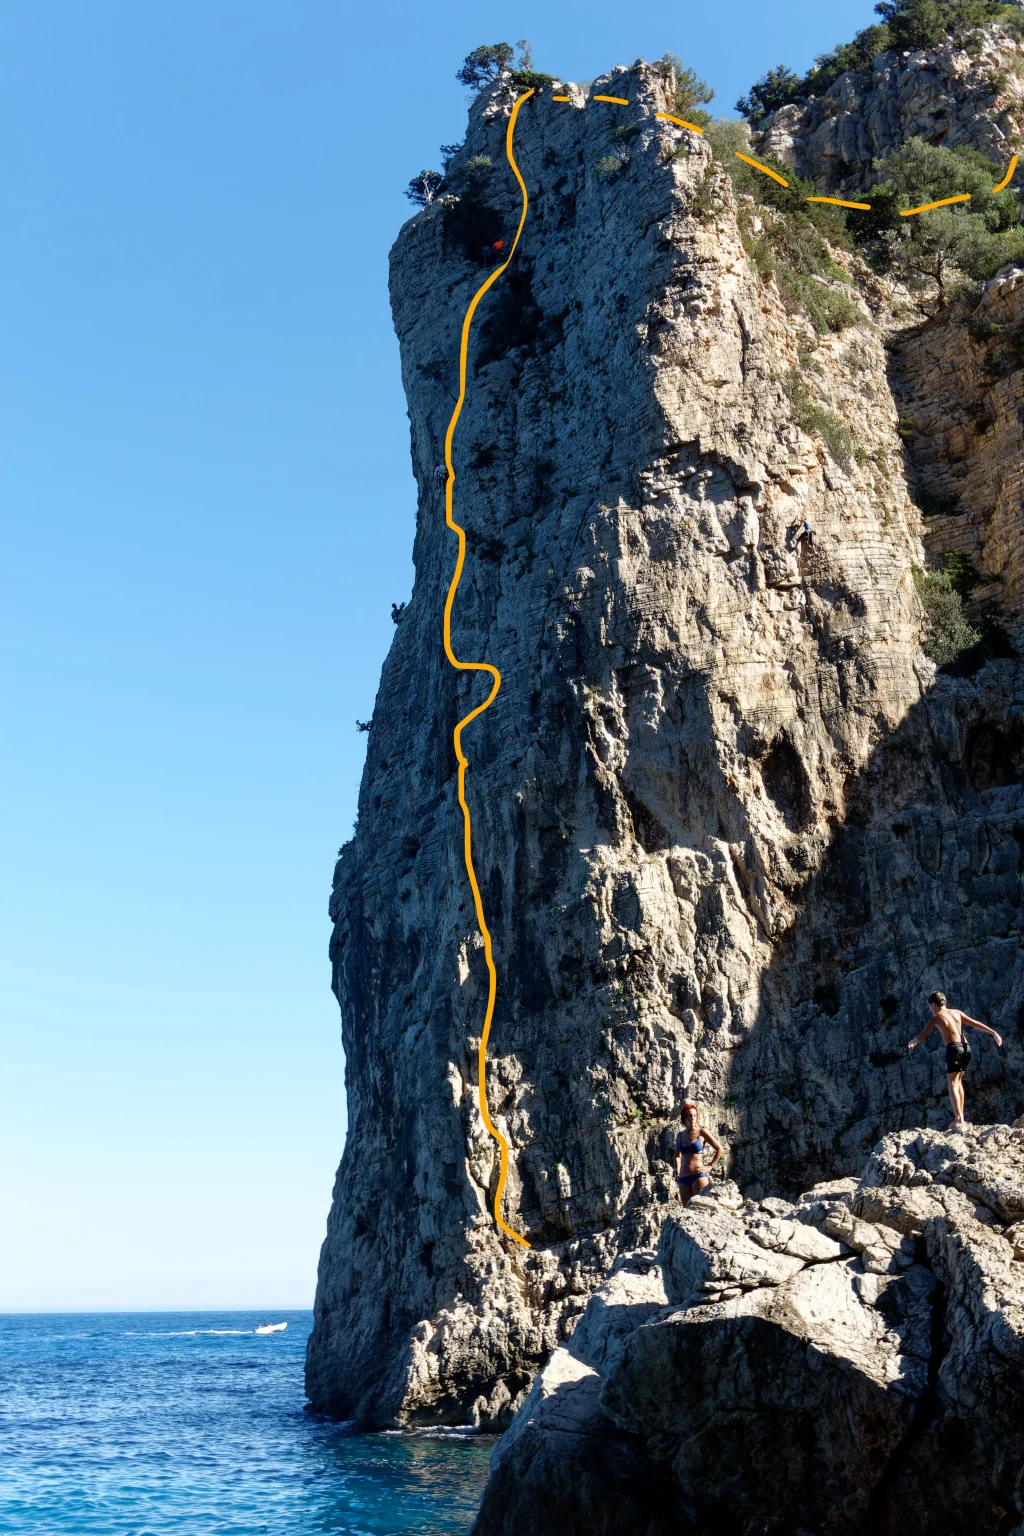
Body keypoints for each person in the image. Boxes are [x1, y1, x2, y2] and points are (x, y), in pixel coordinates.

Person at [907, 990, 1003, 1129]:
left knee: (952, 1083)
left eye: (930, 1007)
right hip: (966, 1048)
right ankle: (961, 1118)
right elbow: (975, 1023)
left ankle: (958, 1119)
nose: (930, 1009)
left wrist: (913, 1041)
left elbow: (923, 1035)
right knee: (958, 1082)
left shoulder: (936, 1017)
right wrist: (993, 1032)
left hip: (954, 1049)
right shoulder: (957, 1012)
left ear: (933, 1004)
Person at [674, 1100, 723, 1203]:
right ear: (684, 1117)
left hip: (698, 1176)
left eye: (694, 1116)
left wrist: (710, 1166)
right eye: (689, 1116)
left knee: (700, 1207)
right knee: (686, 1211)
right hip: (683, 1179)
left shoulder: (702, 1132)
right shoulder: (680, 1135)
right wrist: (677, 1173)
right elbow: (677, 1156)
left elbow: (719, 1149)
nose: (692, 1119)